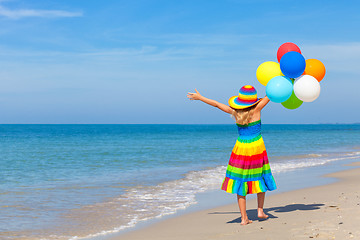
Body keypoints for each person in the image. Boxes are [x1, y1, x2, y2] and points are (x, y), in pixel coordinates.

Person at [187, 85, 277, 225]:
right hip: (257, 148)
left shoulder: (235, 112)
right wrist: (287, 78)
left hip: (241, 148)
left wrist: (200, 97)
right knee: (260, 176)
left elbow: (216, 104)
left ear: (240, 101)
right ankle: (260, 210)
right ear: (254, 101)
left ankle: (243, 218)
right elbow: (271, 94)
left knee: (241, 180)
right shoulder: (257, 109)